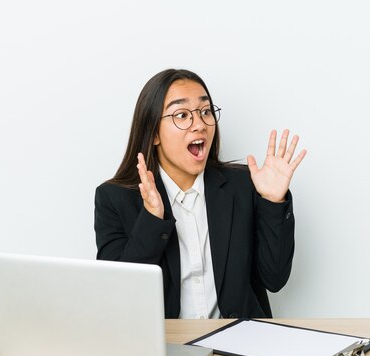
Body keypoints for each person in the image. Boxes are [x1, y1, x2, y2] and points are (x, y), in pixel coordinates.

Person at [94, 68, 306, 319]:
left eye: (206, 112)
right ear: (153, 134)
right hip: (166, 347)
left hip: (240, 342)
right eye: (182, 115)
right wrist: (152, 219)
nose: (199, 124)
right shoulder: (114, 198)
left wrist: (272, 201)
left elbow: (275, 278)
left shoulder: (243, 185)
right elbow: (120, 297)